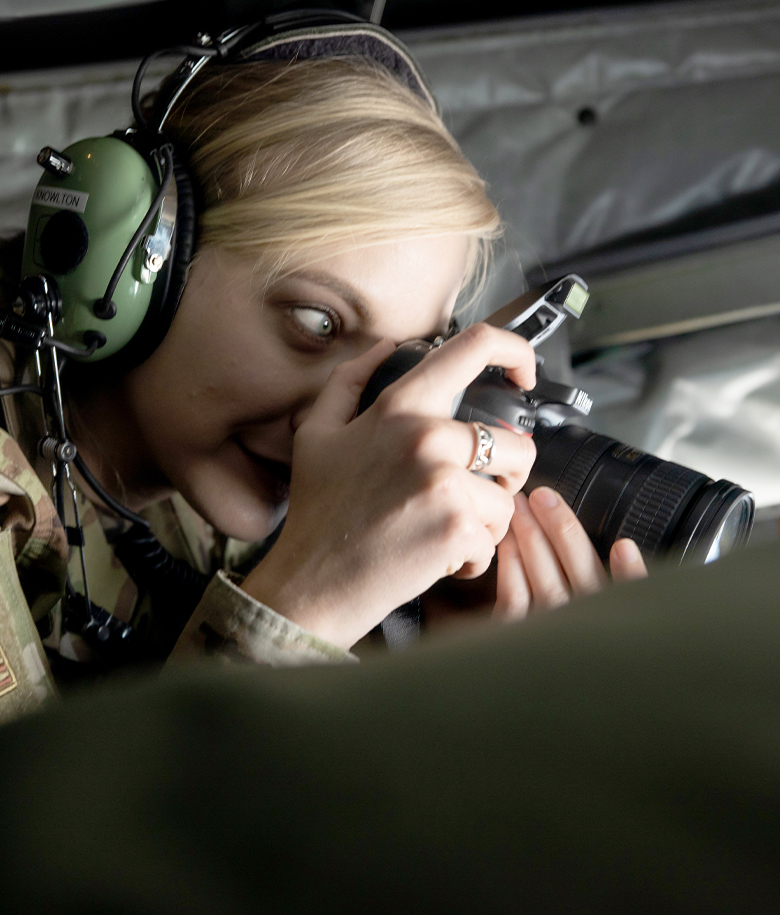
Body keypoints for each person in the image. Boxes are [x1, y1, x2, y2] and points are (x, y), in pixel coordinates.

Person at [0, 17, 645, 725]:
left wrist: (420, 654)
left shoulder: (219, 507)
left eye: (400, 361)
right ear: (136, 264)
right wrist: (308, 598)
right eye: (316, 324)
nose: (345, 417)